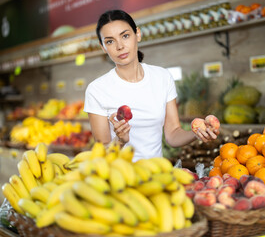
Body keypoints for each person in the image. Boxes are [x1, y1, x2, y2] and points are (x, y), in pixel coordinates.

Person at [84, 9, 219, 162]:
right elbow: (102, 154)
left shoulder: (162, 77)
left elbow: (173, 134)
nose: (120, 46)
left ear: (138, 34)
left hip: (156, 176)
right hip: (119, 179)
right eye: (110, 41)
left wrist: (196, 133)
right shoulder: (97, 90)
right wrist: (120, 141)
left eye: (125, 36)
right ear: (103, 47)